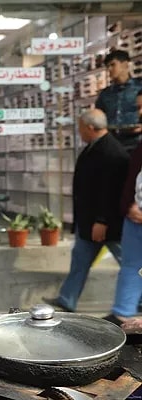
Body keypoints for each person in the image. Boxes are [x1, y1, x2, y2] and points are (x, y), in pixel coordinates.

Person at [43, 109, 129, 312]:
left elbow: (111, 192)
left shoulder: (112, 152)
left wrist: (102, 221)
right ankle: (67, 299)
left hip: (105, 225)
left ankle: (135, 299)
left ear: (90, 127)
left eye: (81, 127)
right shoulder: (93, 148)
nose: (79, 132)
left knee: (131, 261)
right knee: (80, 260)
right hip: (88, 222)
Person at [103, 90, 142, 326]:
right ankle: (122, 314)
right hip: (134, 217)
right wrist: (129, 206)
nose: (140, 112)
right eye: (138, 107)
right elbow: (133, 179)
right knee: (130, 265)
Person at [95, 50, 142, 153]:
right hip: (113, 144)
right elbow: (98, 118)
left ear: (125, 65)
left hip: (137, 142)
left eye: (113, 65)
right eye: (107, 67)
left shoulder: (139, 87)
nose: (109, 69)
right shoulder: (105, 94)